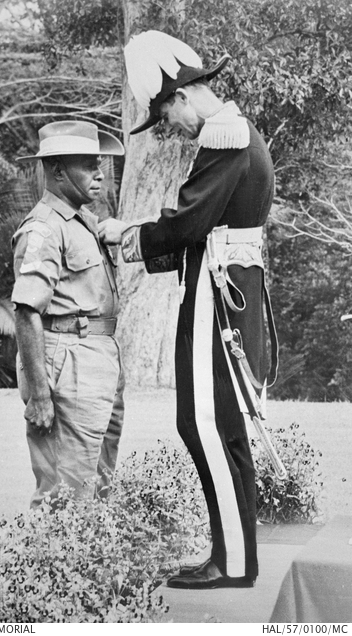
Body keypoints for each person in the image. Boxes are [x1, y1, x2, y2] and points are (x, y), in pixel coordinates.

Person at [99, 30, 278, 589]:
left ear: (180, 97)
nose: (169, 128)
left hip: (217, 296)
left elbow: (186, 222)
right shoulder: (237, 132)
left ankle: (232, 563)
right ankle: (234, 557)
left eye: (164, 114)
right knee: (222, 427)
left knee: (201, 422)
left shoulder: (223, 135)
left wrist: (125, 236)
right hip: (228, 288)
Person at [12, 120, 125, 508]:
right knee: (64, 491)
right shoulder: (43, 229)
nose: (99, 174)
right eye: (88, 165)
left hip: (97, 355)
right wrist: (41, 395)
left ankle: (95, 568)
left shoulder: (83, 223)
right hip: (66, 359)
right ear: (58, 171)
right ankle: (57, 567)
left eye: (100, 164)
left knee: (99, 484)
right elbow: (27, 310)